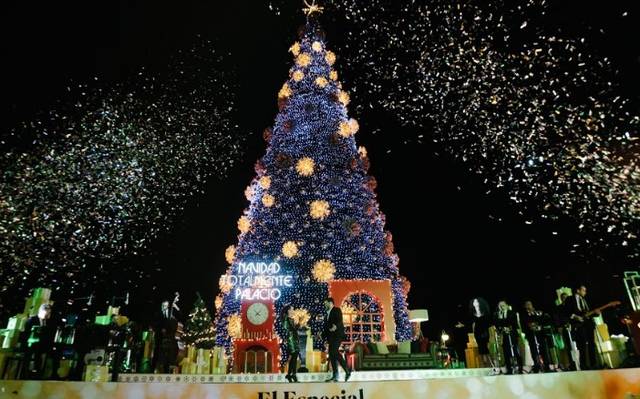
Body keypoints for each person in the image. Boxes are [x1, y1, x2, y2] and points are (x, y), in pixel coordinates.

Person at [565, 285, 599, 370]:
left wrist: (596, 313)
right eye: (583, 290)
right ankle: (583, 365)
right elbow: (566, 312)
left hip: (589, 324)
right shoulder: (570, 299)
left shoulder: (586, 299)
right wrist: (576, 317)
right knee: (582, 345)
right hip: (578, 325)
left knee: (591, 343)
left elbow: (590, 311)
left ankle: (593, 364)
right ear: (577, 290)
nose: (585, 292)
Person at [20, 303, 56, 379]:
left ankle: (38, 373)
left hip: (40, 345)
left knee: (40, 356)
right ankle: (25, 374)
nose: (47, 315)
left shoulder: (46, 322)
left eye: (49, 313)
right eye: (46, 313)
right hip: (30, 344)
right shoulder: (32, 320)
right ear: (41, 311)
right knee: (28, 356)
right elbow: (25, 334)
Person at [323, 297, 350, 382]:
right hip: (331, 337)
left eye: (326, 303)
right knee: (332, 354)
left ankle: (347, 371)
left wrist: (336, 326)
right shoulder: (326, 314)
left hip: (337, 335)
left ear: (330, 303)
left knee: (334, 352)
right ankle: (336, 375)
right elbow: (326, 328)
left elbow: (339, 320)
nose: (324, 304)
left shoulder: (336, 310)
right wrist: (321, 335)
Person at [153, 295, 181, 373]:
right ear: (161, 306)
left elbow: (176, 321)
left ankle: (167, 369)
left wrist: (176, 308)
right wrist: (160, 329)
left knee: (169, 355)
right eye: (163, 305)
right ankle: (154, 368)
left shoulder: (171, 316)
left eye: (166, 306)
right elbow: (155, 324)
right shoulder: (158, 314)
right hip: (160, 337)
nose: (165, 307)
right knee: (158, 352)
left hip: (170, 338)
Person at [521, 300, 551, 373]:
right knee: (533, 350)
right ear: (525, 306)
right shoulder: (524, 315)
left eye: (529, 304)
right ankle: (537, 365)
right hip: (531, 334)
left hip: (540, 333)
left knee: (543, 349)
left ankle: (546, 365)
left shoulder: (538, 312)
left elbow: (543, 319)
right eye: (527, 305)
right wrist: (530, 326)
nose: (528, 306)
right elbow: (524, 324)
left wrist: (539, 325)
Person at [494, 300, 523, 374]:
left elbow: (513, 322)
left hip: (512, 333)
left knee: (515, 350)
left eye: (503, 305)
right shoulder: (498, 314)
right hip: (504, 335)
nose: (501, 307)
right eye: (500, 306)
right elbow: (497, 323)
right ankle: (509, 369)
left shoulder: (511, 312)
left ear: (506, 305)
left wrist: (503, 322)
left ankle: (520, 368)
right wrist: (501, 324)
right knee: (506, 352)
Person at [469, 297, 494, 369]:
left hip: (485, 332)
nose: (475, 303)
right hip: (478, 332)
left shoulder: (485, 312)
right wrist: (474, 334)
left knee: (486, 348)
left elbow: (489, 324)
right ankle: (483, 365)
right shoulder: (472, 314)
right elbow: (473, 325)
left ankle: (490, 364)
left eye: (477, 301)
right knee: (480, 349)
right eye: (474, 302)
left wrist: (491, 334)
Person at [281, 305, 300, 383]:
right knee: (294, 355)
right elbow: (287, 329)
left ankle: (290, 374)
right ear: (288, 310)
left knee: (294, 357)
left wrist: (298, 324)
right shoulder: (286, 319)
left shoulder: (290, 319)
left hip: (294, 339)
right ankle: (292, 374)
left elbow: (294, 329)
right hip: (291, 340)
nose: (293, 310)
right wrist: (296, 324)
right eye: (292, 309)